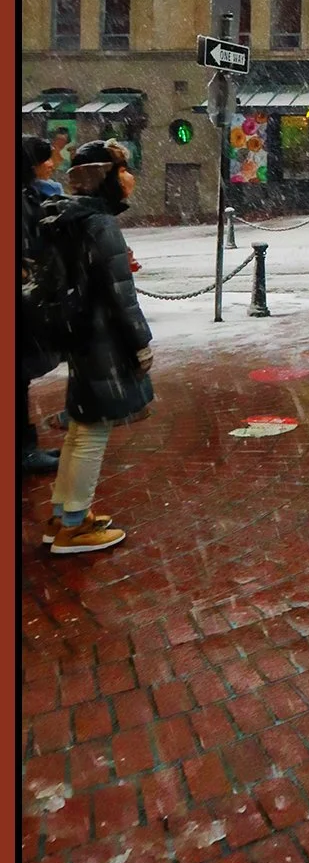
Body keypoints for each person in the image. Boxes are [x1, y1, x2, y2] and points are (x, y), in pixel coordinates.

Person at [45, 140, 154, 554]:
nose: (128, 179)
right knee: (93, 430)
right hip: (102, 338)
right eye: (122, 171)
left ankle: (63, 516)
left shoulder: (69, 217)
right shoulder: (100, 225)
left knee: (79, 425)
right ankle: (74, 527)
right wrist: (141, 344)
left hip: (79, 335)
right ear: (105, 176)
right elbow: (120, 296)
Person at [20, 138, 63, 475]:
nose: (52, 164)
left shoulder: (31, 194)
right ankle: (23, 451)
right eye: (46, 159)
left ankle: (26, 447)